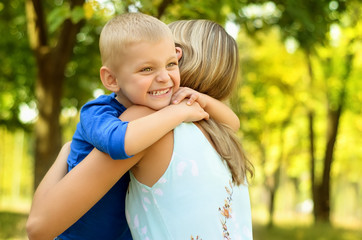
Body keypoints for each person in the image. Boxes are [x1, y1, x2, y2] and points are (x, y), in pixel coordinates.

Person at [26, 14, 241, 240]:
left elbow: (233, 122)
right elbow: (120, 142)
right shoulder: (104, 113)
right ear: (111, 79)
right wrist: (66, 151)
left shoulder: (172, 116)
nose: (164, 77)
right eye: (147, 68)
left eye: (171, 63)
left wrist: (200, 100)